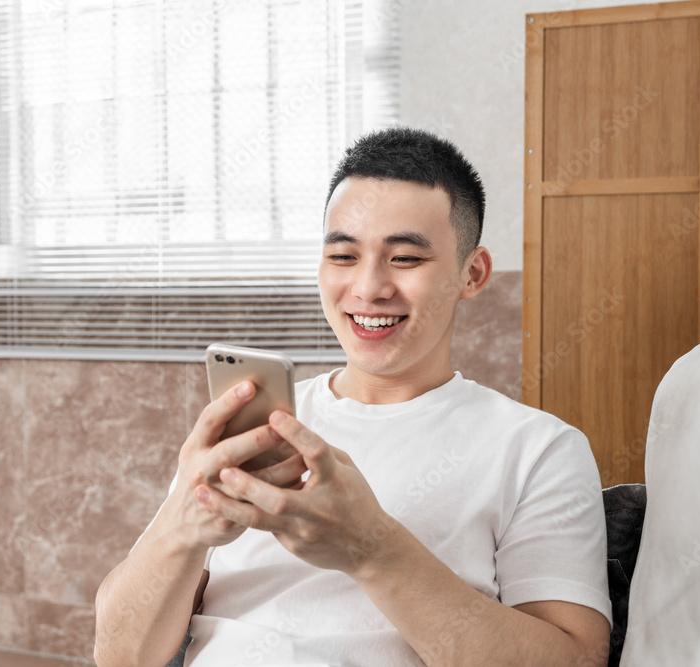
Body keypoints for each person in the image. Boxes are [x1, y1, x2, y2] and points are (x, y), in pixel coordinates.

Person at [94, 127, 612, 666]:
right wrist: (183, 529)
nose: (368, 288)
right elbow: (119, 657)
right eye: (343, 255)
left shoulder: (538, 449)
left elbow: (575, 660)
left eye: (405, 259)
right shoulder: (250, 427)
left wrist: (372, 549)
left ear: (472, 273)